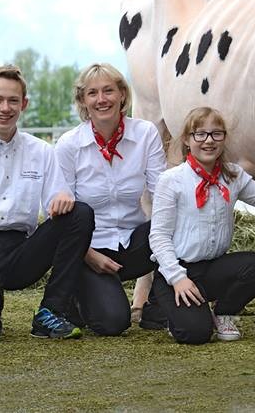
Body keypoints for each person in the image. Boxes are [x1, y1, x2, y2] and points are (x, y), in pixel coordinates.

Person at [0, 65, 94, 342]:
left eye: (13, 100)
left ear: (24, 104)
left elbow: (57, 199)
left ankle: (50, 311)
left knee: (80, 213)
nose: (5, 108)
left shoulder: (41, 151)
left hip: (25, 250)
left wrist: (63, 197)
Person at [148, 106, 255, 344]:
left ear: (224, 138)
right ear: (186, 139)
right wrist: (177, 278)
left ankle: (224, 312)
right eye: (200, 134)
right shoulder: (171, 180)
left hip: (212, 268)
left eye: (216, 134)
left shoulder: (232, 175)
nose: (209, 141)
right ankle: (169, 310)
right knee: (195, 335)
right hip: (178, 272)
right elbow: (159, 236)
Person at [54, 63, 166, 336]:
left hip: (135, 241)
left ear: (123, 95)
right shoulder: (69, 145)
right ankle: (79, 296)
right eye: (92, 93)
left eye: (108, 91)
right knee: (113, 323)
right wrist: (88, 255)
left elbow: (162, 194)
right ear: (83, 100)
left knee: (176, 221)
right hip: (90, 250)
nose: (101, 99)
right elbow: (61, 217)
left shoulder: (145, 134)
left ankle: (160, 304)